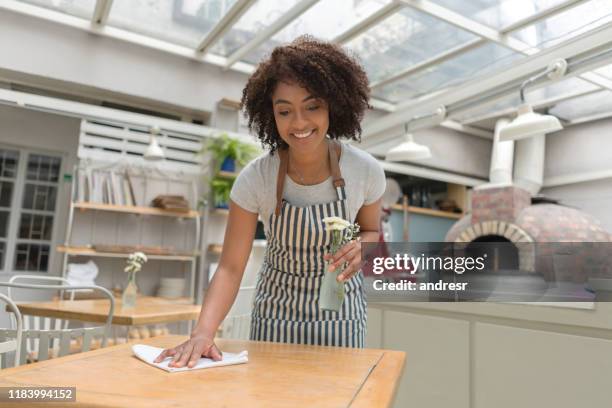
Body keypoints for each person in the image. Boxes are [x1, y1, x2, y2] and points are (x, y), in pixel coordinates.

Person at [155, 35, 385, 368]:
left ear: (333, 105)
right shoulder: (255, 179)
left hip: (341, 317)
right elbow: (231, 268)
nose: (300, 122)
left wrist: (363, 248)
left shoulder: (364, 170)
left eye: (312, 106)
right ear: (270, 115)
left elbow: (372, 232)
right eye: (285, 111)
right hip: (276, 316)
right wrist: (203, 332)